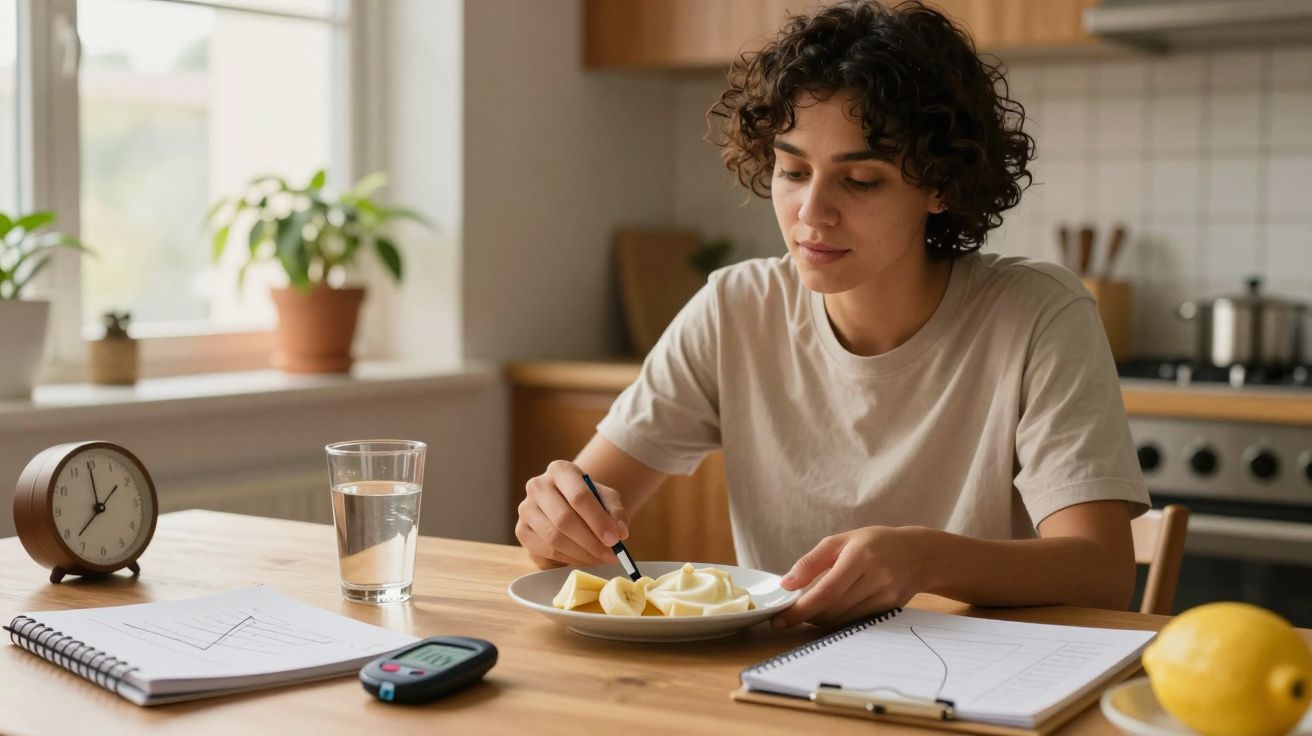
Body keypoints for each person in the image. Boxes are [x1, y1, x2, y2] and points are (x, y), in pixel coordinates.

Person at [515, 0, 1149, 629]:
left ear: (940, 185)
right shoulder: (735, 309)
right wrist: (557, 521)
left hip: (981, 677)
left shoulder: (1038, 314)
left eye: (861, 180)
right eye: (793, 171)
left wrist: (925, 558)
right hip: (777, 670)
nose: (811, 213)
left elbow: (1102, 573)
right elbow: (572, 531)